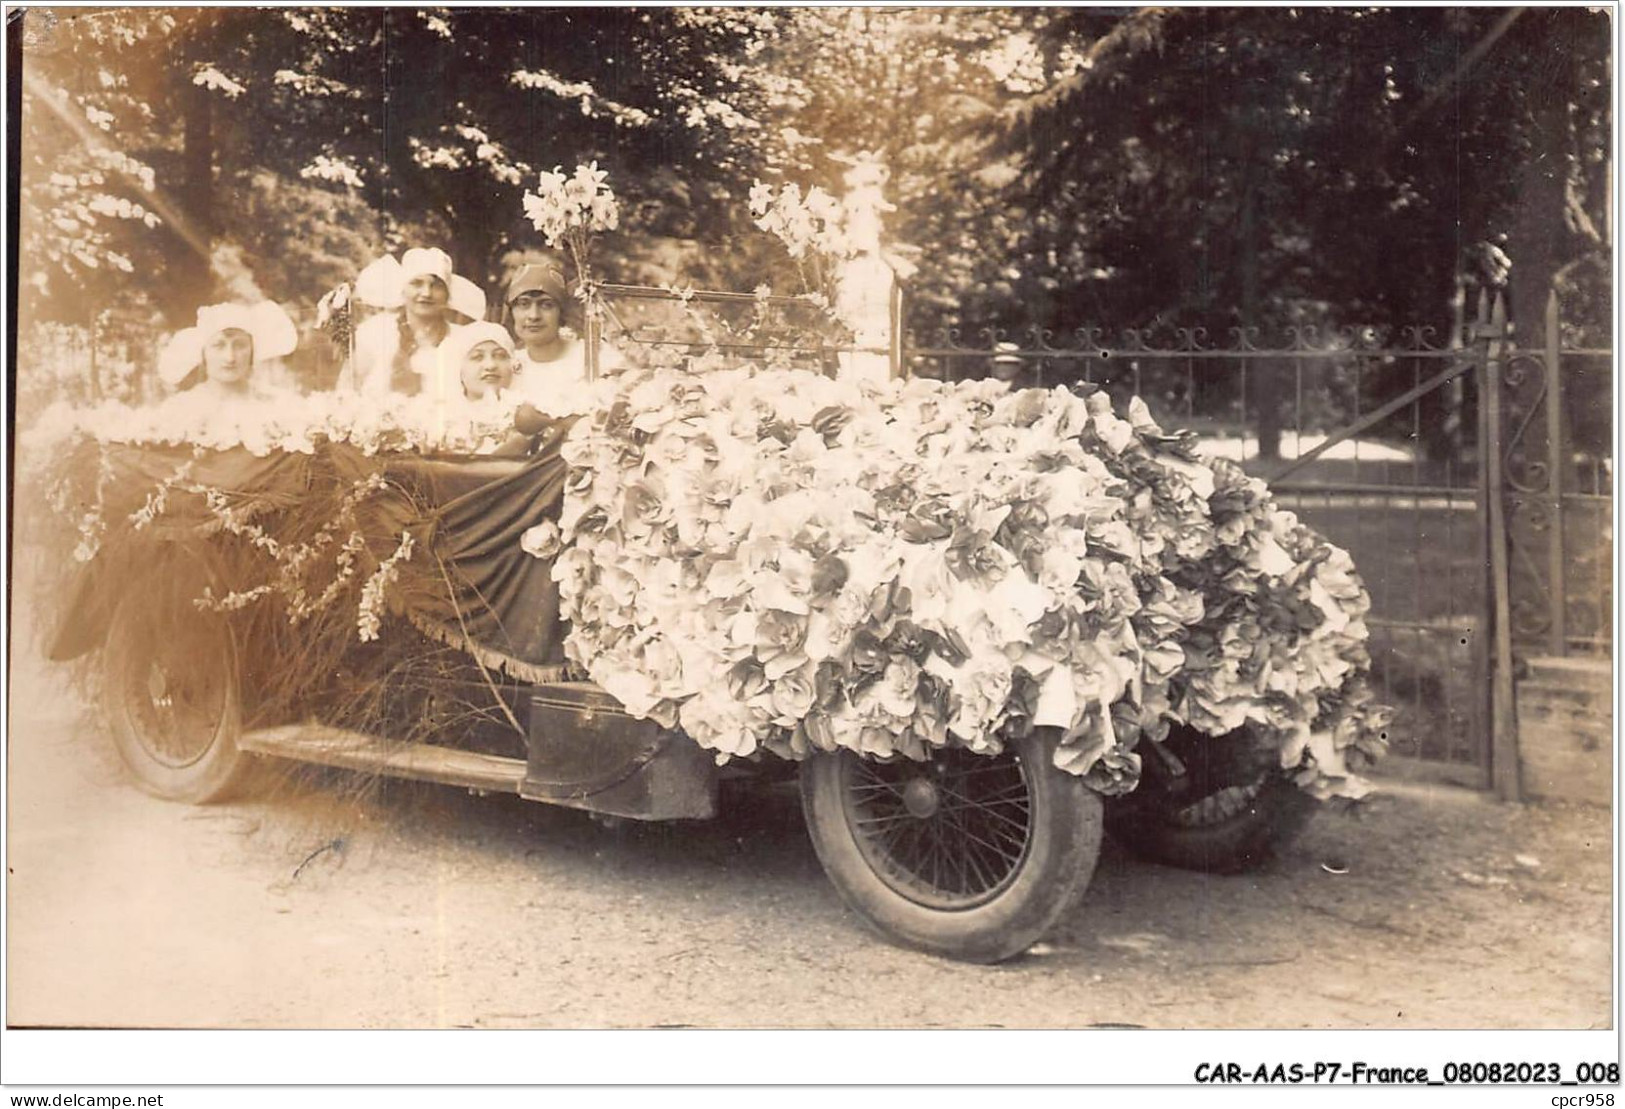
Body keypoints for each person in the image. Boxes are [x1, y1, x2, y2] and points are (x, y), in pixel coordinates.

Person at [346, 248, 487, 397]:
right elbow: (353, 392)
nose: (426, 293)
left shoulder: (464, 340)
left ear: (447, 295)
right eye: (417, 283)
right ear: (402, 289)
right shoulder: (373, 333)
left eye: (436, 285)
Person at [156, 301, 299, 404]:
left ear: (253, 350)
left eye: (240, 345)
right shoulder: (183, 408)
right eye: (219, 346)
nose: (230, 358)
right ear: (203, 353)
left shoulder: (276, 405)